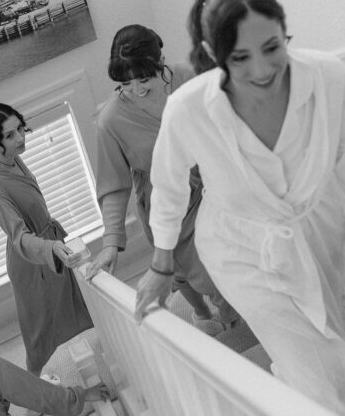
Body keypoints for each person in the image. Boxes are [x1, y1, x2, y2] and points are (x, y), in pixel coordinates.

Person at [135, 0, 345, 416]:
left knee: (328, 326)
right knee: (301, 350)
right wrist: (160, 267)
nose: (261, 70)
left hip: (317, 226)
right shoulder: (188, 108)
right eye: (239, 57)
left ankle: (329, 391)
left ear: (283, 29)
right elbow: (168, 186)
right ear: (213, 54)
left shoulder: (330, 78)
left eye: (272, 46)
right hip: (239, 249)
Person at [88, 24, 239, 332]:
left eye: (145, 78)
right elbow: (114, 187)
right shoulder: (111, 121)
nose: (137, 89)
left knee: (221, 265)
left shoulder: (189, 76)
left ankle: (231, 316)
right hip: (166, 201)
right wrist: (111, 242)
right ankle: (201, 313)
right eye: (125, 84)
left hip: (212, 182)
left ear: (161, 62)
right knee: (183, 269)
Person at [0, 103, 93, 393]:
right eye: (10, 135)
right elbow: (18, 237)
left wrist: (55, 245)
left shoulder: (13, 159)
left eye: (20, 128)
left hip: (51, 246)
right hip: (31, 261)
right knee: (39, 332)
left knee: (79, 302)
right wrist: (50, 248)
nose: (20, 138)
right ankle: (33, 388)